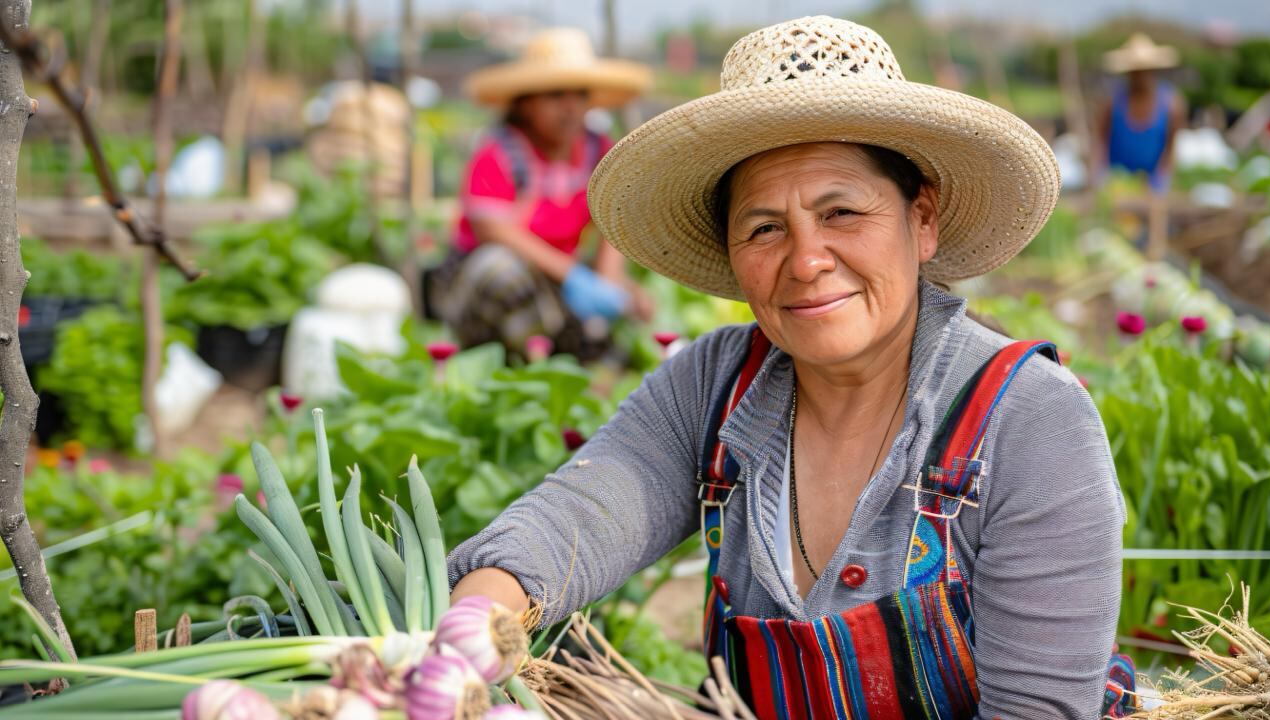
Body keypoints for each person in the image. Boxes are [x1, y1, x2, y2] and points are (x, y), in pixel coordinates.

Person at [451, 16, 1133, 719]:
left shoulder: (1027, 421)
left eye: (841, 212)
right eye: (765, 227)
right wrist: (477, 620)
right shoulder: (715, 385)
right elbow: (582, 516)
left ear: (921, 219)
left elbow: (1037, 710)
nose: (806, 262)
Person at [430, 27, 654, 360]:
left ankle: (578, 361)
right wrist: (575, 277)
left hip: (553, 281)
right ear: (524, 105)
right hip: (486, 292)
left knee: (635, 297)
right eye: (554, 95)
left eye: (578, 94)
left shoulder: (597, 152)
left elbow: (612, 216)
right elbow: (493, 231)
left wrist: (609, 282)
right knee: (501, 271)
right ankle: (529, 363)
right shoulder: (499, 154)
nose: (569, 107)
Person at [1094, 33, 1186, 194]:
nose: (1139, 76)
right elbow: (1100, 142)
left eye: (1144, 70)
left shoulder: (1171, 104)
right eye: (1134, 71)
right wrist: (1099, 177)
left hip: (1151, 185)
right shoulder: (1113, 102)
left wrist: (1160, 183)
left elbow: (1170, 150)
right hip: (1117, 183)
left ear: (1153, 70)